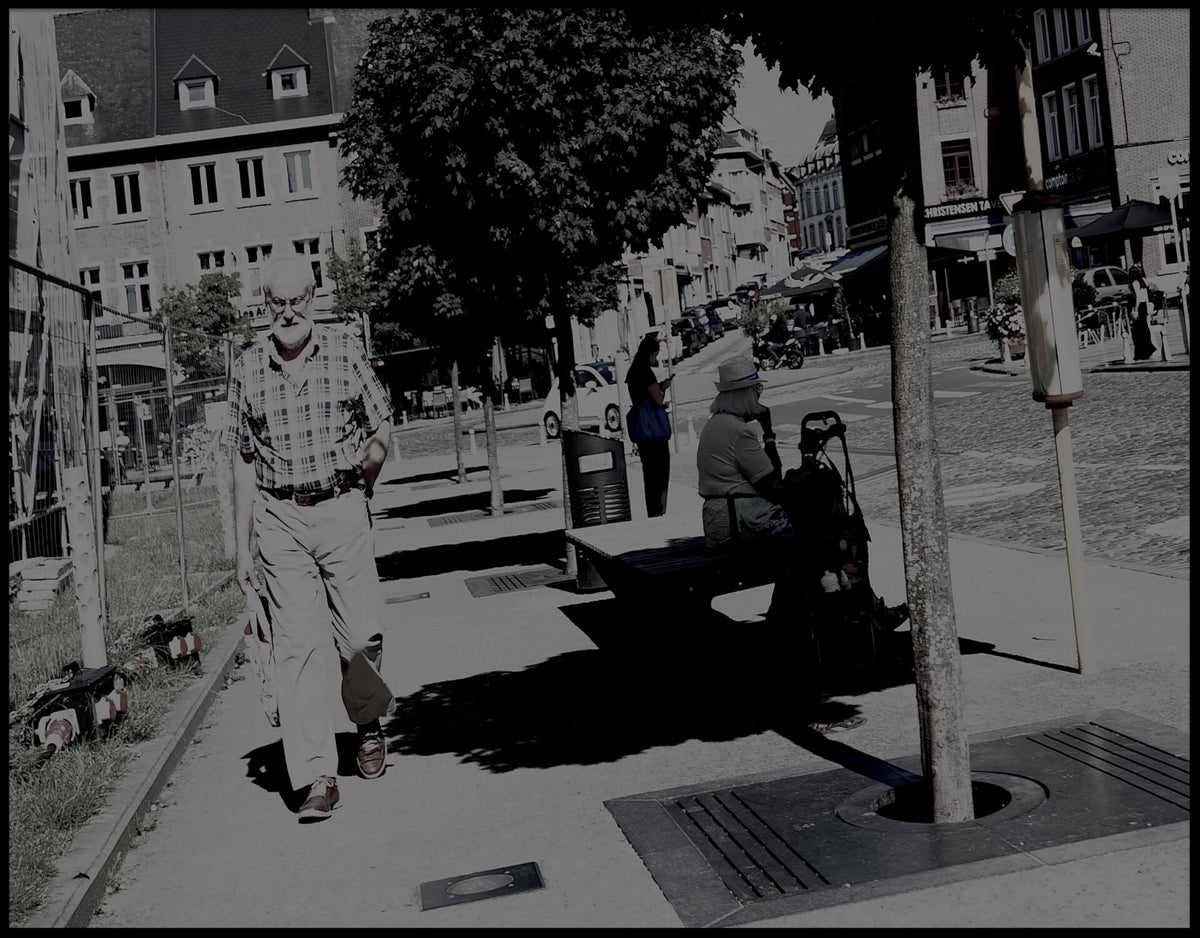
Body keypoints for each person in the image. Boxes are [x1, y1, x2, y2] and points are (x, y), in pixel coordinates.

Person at [229, 255, 395, 823]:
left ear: (313, 298)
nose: (288, 311)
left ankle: (366, 721)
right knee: (296, 647)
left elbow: (381, 424)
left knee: (359, 637)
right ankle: (317, 775)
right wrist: (242, 546)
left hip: (341, 505)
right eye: (277, 302)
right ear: (264, 306)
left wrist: (363, 485)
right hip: (280, 518)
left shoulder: (345, 349)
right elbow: (243, 461)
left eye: (297, 299)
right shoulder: (247, 368)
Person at [695, 356, 907, 631]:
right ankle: (855, 611)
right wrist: (769, 433)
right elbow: (772, 480)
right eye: (757, 391)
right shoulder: (739, 432)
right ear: (745, 394)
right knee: (829, 539)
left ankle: (799, 614)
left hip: (722, 519)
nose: (760, 397)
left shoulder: (717, 424)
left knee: (812, 542)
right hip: (743, 520)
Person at [625, 332, 672, 517]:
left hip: (641, 429)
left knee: (649, 474)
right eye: (656, 354)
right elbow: (657, 399)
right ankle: (660, 511)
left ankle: (652, 511)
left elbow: (640, 398)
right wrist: (663, 387)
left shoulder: (632, 372)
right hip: (655, 432)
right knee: (660, 473)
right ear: (650, 353)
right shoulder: (646, 372)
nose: (656, 358)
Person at [1127, 265, 1158, 361]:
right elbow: (1146, 294)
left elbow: (1138, 298)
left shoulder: (1135, 283)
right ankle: (1146, 350)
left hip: (1140, 306)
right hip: (1144, 305)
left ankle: (1142, 352)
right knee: (1144, 328)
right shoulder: (1143, 280)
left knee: (1137, 331)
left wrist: (1135, 310)